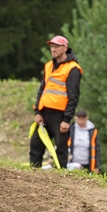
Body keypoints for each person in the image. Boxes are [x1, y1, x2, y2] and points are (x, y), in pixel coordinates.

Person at [30, 35, 82, 169]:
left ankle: (60, 176)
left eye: (57, 46)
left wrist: (66, 119)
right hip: (44, 113)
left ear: (65, 48)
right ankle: (33, 174)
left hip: (60, 115)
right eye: (52, 46)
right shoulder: (48, 66)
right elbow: (42, 90)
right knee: (35, 144)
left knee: (61, 148)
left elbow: (73, 96)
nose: (53, 49)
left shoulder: (73, 68)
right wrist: (37, 112)